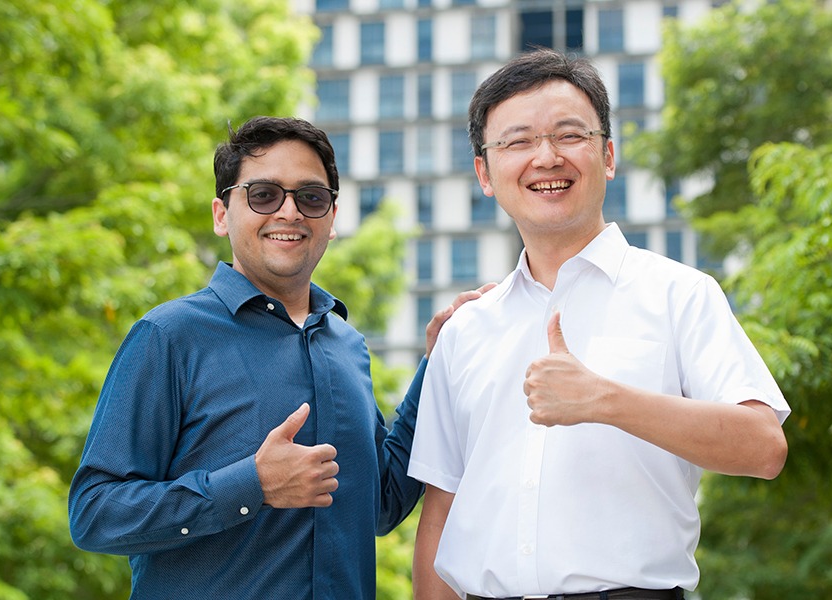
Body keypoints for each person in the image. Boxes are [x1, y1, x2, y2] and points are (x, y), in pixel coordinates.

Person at [408, 49, 792, 600]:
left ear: (608, 155)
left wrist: (604, 400)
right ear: (484, 173)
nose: (546, 157)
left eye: (570, 135)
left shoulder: (679, 294)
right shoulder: (465, 330)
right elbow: (441, 511)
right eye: (518, 142)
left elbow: (763, 446)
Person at [69, 116, 485, 599]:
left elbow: (381, 504)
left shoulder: (347, 345)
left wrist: (435, 367)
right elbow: (94, 514)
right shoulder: (169, 336)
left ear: (331, 218)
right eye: (263, 195)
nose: (289, 212)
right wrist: (251, 486)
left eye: (311, 197)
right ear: (221, 214)